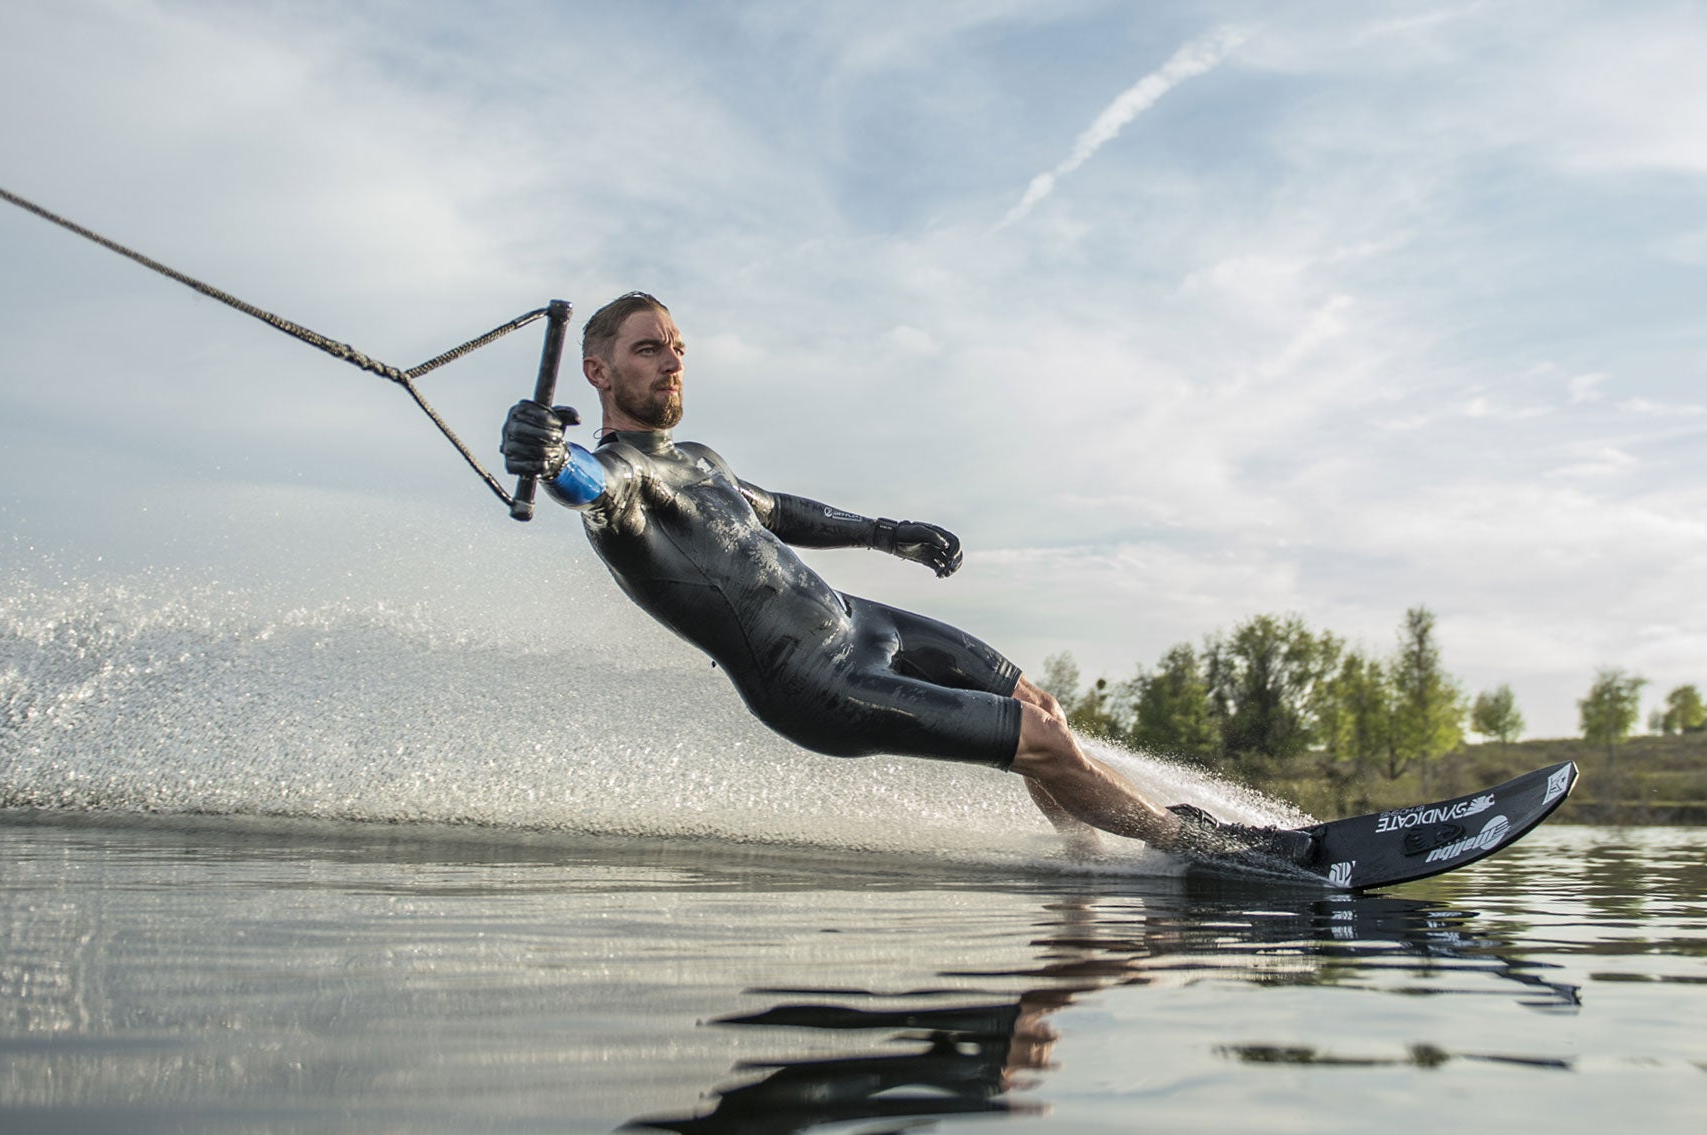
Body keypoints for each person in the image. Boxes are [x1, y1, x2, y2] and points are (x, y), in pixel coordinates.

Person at [499, 291, 1309, 862]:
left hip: (863, 622)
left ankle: (1088, 864)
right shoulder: (622, 480)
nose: (672, 361)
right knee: (1043, 745)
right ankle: (1205, 850)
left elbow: (783, 512)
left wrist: (890, 533)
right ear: (599, 373)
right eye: (648, 349)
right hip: (815, 682)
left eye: (677, 346)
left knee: (1038, 708)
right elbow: (584, 485)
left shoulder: (700, 460)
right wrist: (545, 455)